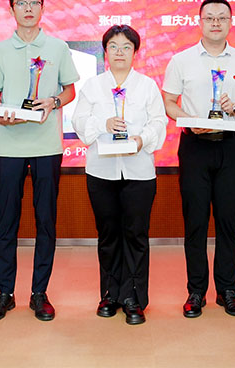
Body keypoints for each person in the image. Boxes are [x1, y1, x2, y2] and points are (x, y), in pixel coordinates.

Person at [0, 0, 79, 322]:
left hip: (46, 145)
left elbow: (69, 91)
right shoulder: (0, 50)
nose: (27, 8)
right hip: (10, 146)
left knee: (45, 220)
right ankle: (5, 293)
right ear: (11, 10)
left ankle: (40, 292)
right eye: (21, 2)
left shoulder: (57, 47)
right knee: (7, 220)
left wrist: (53, 102)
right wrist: (0, 115)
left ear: (42, 8)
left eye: (34, 2)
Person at [161, 0, 235, 318]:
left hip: (229, 147)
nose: (216, 23)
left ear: (230, 22)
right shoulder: (182, 60)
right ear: (200, 22)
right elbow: (168, 101)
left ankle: (228, 290)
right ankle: (196, 291)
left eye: (222, 18)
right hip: (194, 147)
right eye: (209, 18)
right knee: (195, 221)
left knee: (228, 221)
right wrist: (188, 120)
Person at [72, 25, 166, 325]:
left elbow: (159, 122)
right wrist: (104, 123)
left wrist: (141, 140)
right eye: (113, 46)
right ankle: (110, 294)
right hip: (101, 172)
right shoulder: (93, 86)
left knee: (136, 235)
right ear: (105, 52)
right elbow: (79, 121)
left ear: (135, 52)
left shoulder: (147, 86)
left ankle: (134, 297)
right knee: (108, 235)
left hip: (139, 171)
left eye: (126, 47)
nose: (120, 52)